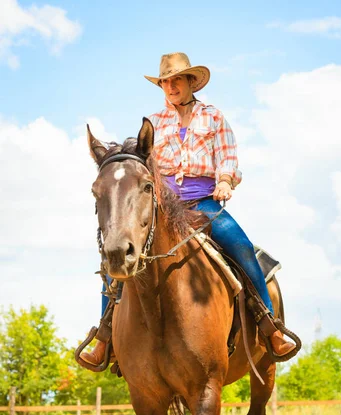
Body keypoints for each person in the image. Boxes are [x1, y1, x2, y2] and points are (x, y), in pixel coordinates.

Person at [81, 52, 295, 366]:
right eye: (165, 82)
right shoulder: (153, 122)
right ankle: (105, 336)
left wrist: (224, 180)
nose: (170, 86)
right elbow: (144, 165)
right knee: (117, 255)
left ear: (190, 81)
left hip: (204, 203)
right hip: (165, 207)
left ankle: (269, 325)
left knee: (242, 248)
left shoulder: (213, 117)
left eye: (176, 80)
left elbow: (228, 156)